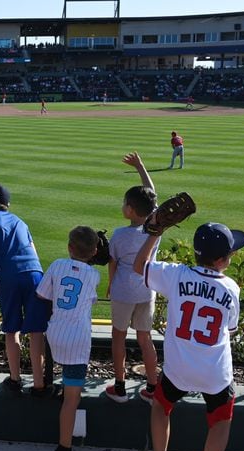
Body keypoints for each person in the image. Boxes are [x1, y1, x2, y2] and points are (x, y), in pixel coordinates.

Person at [133, 222, 244, 451]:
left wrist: (155, 233)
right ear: (221, 260)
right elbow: (229, 330)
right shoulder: (231, 288)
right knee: (221, 421)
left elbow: (139, 265)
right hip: (214, 373)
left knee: (161, 406)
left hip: (178, 369)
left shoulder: (176, 275)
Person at [0, 183, 48, 394]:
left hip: (10, 276)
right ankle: (39, 384)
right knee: (36, 330)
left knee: (12, 329)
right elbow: (33, 251)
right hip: (35, 274)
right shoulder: (20, 221)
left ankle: (15, 379)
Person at [36, 226, 100, 451]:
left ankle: (49, 382)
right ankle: (64, 447)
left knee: (62, 378)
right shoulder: (94, 275)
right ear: (94, 251)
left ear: (69, 247)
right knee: (72, 399)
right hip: (77, 341)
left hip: (55, 333)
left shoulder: (57, 265)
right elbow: (90, 300)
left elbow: (42, 294)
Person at [105, 153, 160, 404]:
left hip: (123, 292)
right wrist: (141, 166)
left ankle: (119, 386)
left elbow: (112, 263)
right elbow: (152, 195)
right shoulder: (155, 228)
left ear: (129, 210)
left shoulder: (119, 235)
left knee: (118, 336)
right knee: (144, 338)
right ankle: (152, 386)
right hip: (147, 290)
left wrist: (109, 285)